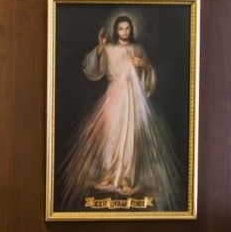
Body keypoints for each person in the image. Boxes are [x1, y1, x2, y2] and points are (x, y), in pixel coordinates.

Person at [57, 14, 183, 210]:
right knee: (111, 135)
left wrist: (145, 66)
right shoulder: (108, 48)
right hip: (114, 95)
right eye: (121, 28)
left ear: (131, 30)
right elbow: (91, 68)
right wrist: (100, 47)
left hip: (133, 97)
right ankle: (108, 173)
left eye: (127, 28)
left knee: (130, 136)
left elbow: (148, 74)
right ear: (116, 30)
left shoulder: (137, 49)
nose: (124, 32)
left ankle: (126, 178)